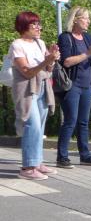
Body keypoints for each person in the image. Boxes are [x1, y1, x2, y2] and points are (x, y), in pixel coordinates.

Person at [55, 7, 91, 168]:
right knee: (70, 121)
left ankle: (85, 156)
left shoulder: (87, 37)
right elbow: (66, 62)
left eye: (88, 18)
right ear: (75, 19)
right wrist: (88, 53)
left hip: (87, 86)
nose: (88, 21)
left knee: (83, 122)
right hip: (71, 86)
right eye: (85, 18)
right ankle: (62, 157)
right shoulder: (65, 38)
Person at [9, 11, 59, 180]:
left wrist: (52, 58)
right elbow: (26, 72)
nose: (39, 28)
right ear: (24, 26)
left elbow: (48, 69)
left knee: (40, 127)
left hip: (42, 87)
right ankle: (27, 167)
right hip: (26, 90)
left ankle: (37, 163)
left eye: (39, 24)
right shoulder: (17, 45)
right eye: (34, 25)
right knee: (33, 126)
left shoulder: (40, 43)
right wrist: (47, 60)